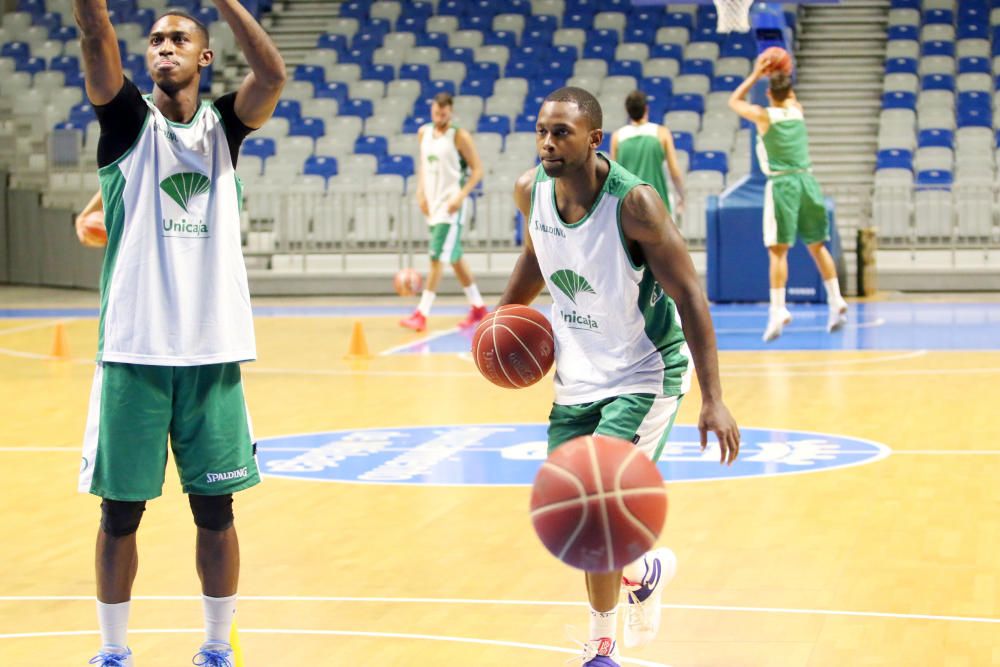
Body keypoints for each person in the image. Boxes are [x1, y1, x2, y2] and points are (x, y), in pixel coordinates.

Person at [72, 0, 285, 663]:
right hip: (133, 349)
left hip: (211, 351)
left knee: (216, 511)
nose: (164, 46)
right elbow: (93, 32)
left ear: (205, 56)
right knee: (119, 514)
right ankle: (113, 651)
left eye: (179, 38)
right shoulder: (126, 120)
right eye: (157, 40)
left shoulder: (225, 128)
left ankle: (217, 647)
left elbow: (272, 75)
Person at [499, 87, 740, 666]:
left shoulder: (636, 205)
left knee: (597, 501)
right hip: (577, 376)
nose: (548, 143)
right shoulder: (530, 190)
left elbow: (690, 295)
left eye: (561, 133)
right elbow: (539, 253)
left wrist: (715, 399)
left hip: (645, 371)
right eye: (541, 131)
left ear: (594, 139)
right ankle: (642, 569)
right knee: (579, 513)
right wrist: (502, 321)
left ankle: (601, 646)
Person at [728, 55, 849, 342]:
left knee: (777, 251)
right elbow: (788, 93)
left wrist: (756, 73)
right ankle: (836, 299)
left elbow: (733, 101)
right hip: (808, 181)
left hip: (783, 185)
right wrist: (783, 72)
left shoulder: (763, 116)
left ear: (770, 94)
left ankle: (778, 309)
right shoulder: (797, 110)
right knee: (818, 247)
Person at [399, 91, 487, 333]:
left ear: (450, 111)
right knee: (455, 258)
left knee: (436, 256)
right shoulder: (423, 133)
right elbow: (423, 166)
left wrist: (461, 195)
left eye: (444, 112)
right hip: (433, 204)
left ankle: (421, 313)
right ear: (432, 111)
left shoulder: (459, 135)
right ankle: (479, 308)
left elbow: (478, 170)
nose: (440, 115)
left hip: (451, 205)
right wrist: (419, 192)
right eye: (436, 111)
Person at [610, 90, 686, 220]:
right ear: (646, 109)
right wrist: (682, 196)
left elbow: (613, 177)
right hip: (657, 203)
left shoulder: (617, 137)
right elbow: (674, 171)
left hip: (628, 207)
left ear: (627, 111)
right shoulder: (662, 133)